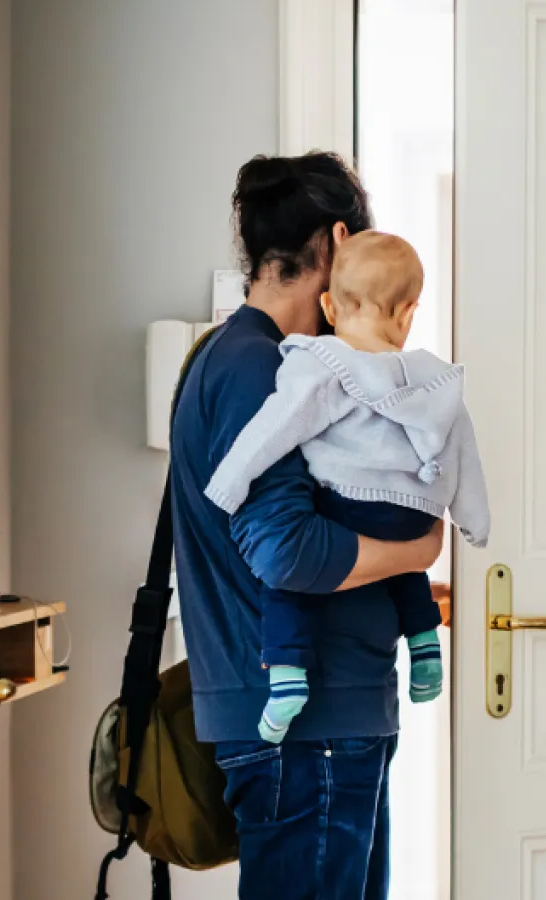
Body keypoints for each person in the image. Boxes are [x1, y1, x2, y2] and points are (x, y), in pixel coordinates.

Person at [169, 152, 444, 900]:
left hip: (313, 727)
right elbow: (285, 549)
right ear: (335, 240)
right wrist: (417, 547)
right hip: (309, 732)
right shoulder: (264, 371)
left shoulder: (246, 360)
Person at [205, 230, 489, 743]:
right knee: (401, 556)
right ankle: (425, 644)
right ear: (407, 314)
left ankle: (288, 678)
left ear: (329, 306)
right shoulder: (435, 382)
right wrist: (473, 523)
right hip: (415, 511)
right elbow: (463, 453)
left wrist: (229, 483)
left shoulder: (323, 364)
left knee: (285, 582)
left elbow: (274, 428)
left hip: (346, 501)